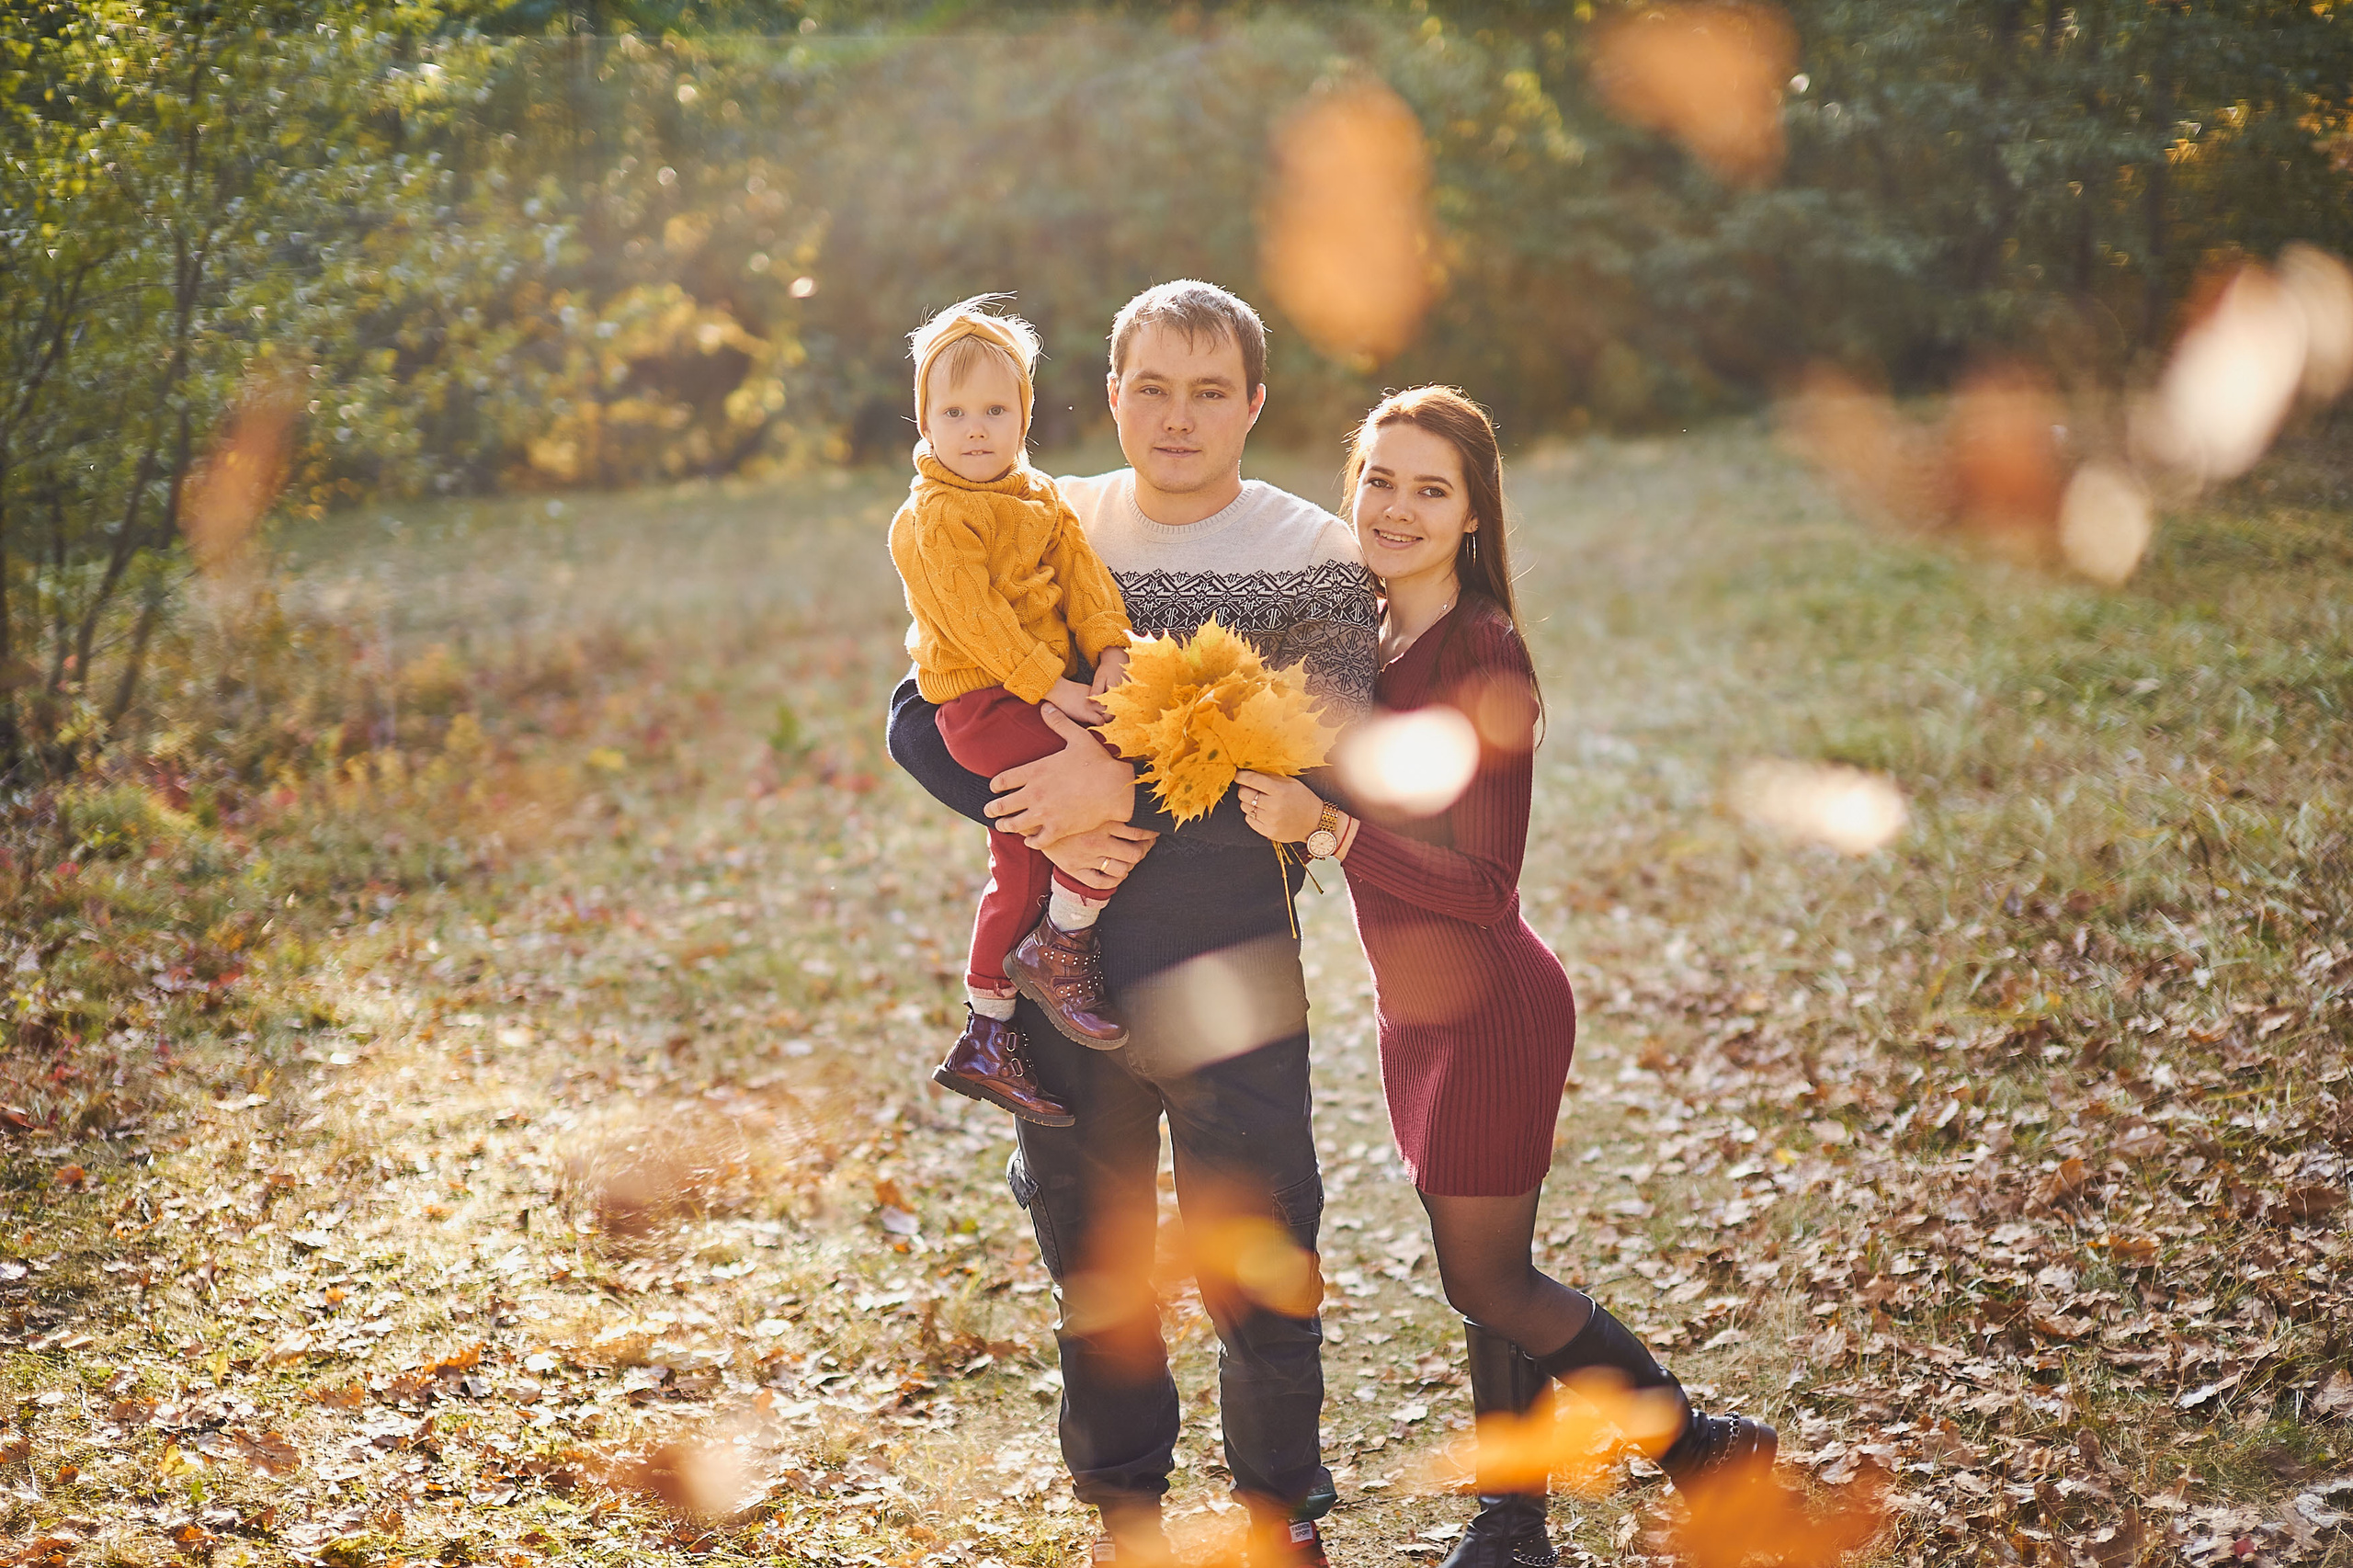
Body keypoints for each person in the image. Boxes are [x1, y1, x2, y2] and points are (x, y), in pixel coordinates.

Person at [1236, 387, 1777, 1568]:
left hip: (1490, 1007)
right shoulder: (1369, 641)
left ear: (1473, 514)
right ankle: (1513, 1521)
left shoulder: (1482, 651)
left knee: (1490, 1276)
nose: (1396, 506)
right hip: (1421, 1011)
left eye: (1431, 488)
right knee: (1487, 1271)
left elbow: (1484, 883)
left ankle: (1700, 1449)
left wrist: (1327, 827)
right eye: (1379, 478)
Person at [887, 280, 1377, 1567]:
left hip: (1228, 956)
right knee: (1093, 1252)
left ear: (1254, 404)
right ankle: (1130, 1518)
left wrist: (1122, 782)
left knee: (1263, 1240)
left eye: (1210, 390)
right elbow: (913, 712)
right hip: (1070, 967)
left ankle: (1281, 1516)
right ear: (1108, 396)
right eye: (1150, 386)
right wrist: (1040, 797)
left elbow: (1320, 744)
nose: (1177, 415)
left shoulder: (1312, 548)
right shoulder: (1042, 508)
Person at [888, 296, 1138, 1130]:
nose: (975, 430)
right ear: (923, 419)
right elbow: (975, 623)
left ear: (1024, 415)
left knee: (1020, 860)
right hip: (982, 698)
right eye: (953, 412)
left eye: (996, 410)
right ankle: (1060, 944)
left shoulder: (1037, 498)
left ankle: (986, 1033)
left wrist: (1107, 649)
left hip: (1050, 682)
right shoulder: (932, 517)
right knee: (1097, 817)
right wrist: (1056, 688)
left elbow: (1085, 578)